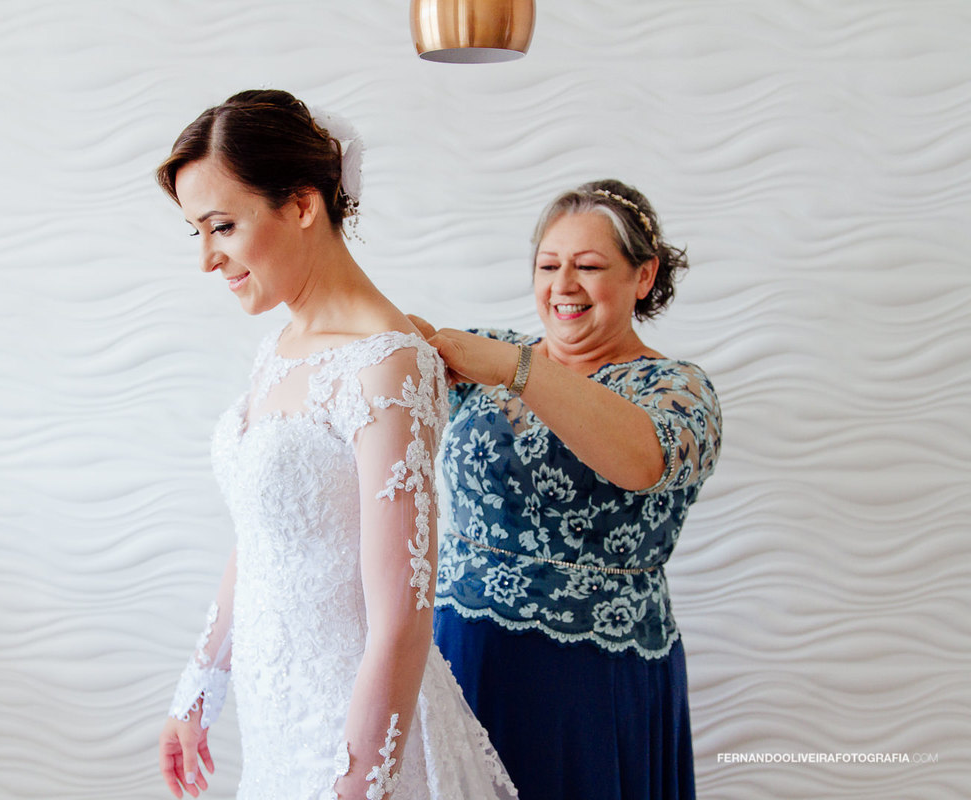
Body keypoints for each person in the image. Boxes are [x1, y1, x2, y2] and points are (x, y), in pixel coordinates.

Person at [155, 89, 517, 800]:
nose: (207, 258)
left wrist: (357, 787)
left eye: (222, 226)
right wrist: (197, 688)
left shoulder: (389, 364)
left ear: (301, 204)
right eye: (196, 231)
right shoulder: (278, 347)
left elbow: (401, 623)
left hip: (351, 729)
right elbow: (262, 537)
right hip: (275, 722)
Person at [415, 180, 722, 799]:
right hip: (460, 647)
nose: (563, 285)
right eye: (548, 265)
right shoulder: (490, 355)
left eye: (588, 266)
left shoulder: (677, 389)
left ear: (643, 276)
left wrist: (517, 369)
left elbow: (643, 460)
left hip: (589, 676)